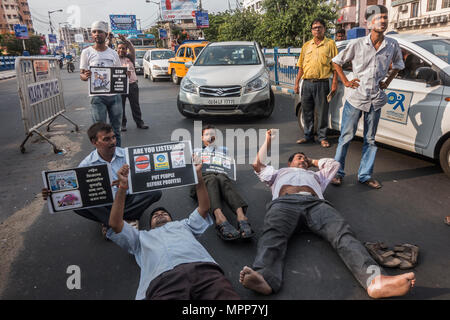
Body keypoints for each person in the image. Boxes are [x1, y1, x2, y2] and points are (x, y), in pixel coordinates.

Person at [239, 129, 416, 299]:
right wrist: (268, 141)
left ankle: (375, 281)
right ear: (289, 163)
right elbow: (257, 164)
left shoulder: (317, 176)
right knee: (272, 235)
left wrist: (312, 161)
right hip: (284, 204)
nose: (302, 160)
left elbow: (334, 164)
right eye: (299, 158)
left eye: (304, 158)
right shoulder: (278, 173)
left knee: (343, 234)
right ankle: (264, 278)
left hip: (316, 204)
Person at [107, 162, 241, 300]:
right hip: (163, 283)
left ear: (172, 219)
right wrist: (122, 187)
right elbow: (115, 224)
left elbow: (204, 207)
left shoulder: (184, 225)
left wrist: (198, 177)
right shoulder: (139, 238)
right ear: (150, 225)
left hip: (204, 273)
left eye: (164, 213)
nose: (159, 214)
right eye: (155, 215)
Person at [42, 122, 162, 238]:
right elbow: (75, 190)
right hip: (105, 204)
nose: (113, 142)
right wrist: (53, 193)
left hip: (128, 198)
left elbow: (145, 178)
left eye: (114, 137)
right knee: (76, 204)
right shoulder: (86, 164)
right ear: (94, 142)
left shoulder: (127, 154)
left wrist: (127, 183)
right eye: (107, 139)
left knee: (155, 192)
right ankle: (125, 219)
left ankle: (110, 222)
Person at [330, 5, 405, 189]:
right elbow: (336, 62)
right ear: (368, 22)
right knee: (346, 137)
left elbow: (398, 65)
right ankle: (337, 173)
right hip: (356, 99)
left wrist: (387, 82)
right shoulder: (357, 44)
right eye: (380, 18)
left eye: (385, 18)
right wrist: (346, 82)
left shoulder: (392, 44)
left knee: (370, 140)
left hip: (376, 99)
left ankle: (364, 175)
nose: (383, 21)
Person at [192, 125, 254, 241]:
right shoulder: (196, 151)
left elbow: (227, 166)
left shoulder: (223, 149)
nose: (210, 136)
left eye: (212, 134)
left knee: (222, 178)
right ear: (202, 138)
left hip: (219, 174)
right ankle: (219, 218)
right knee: (212, 179)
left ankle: (241, 217)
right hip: (203, 176)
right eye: (207, 134)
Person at [294, 18, 338, 148]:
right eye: (314, 28)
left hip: (322, 83)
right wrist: (296, 83)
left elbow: (336, 66)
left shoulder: (330, 44)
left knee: (322, 111)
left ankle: (322, 137)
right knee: (307, 110)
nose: (317, 29)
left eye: (319, 27)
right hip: (307, 83)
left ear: (324, 29)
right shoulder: (306, 46)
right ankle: (308, 136)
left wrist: (335, 83)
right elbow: (301, 66)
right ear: (312, 31)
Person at [79, 21, 123, 147]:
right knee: (99, 132)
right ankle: (100, 160)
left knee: (116, 130)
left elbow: (118, 73)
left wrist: (124, 76)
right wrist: (85, 76)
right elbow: (82, 75)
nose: (96, 34)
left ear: (105, 34)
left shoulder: (113, 53)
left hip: (114, 96)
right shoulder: (86, 52)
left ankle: (118, 154)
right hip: (97, 97)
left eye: (100, 32)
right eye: (94, 32)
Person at [116, 34, 149, 131]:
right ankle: (123, 124)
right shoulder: (114, 59)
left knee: (135, 106)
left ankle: (139, 123)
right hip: (120, 86)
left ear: (126, 50)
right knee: (120, 107)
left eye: (123, 48)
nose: (121, 50)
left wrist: (125, 40)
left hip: (132, 85)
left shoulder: (130, 57)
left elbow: (131, 47)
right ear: (116, 50)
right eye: (119, 48)